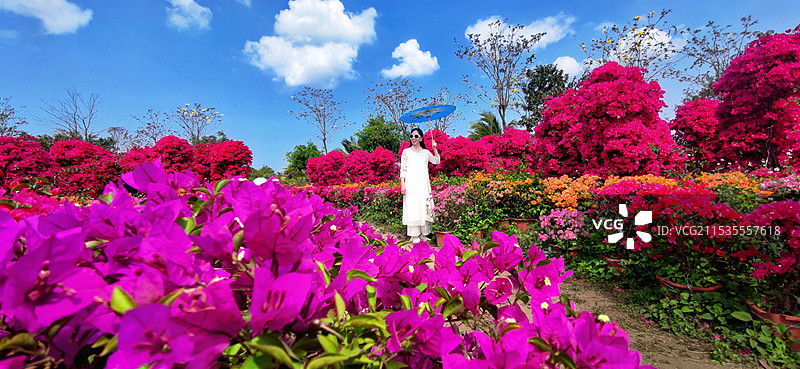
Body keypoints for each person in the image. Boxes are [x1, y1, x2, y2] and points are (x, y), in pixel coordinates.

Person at [400, 127, 440, 244]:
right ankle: (414, 235)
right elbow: (403, 169)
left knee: (423, 206)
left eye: (416, 136)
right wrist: (403, 185)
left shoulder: (426, 153)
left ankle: (424, 233)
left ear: (421, 138)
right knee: (413, 207)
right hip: (411, 184)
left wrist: (435, 149)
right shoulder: (406, 152)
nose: (413, 138)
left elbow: (436, 161)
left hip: (423, 184)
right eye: (411, 136)